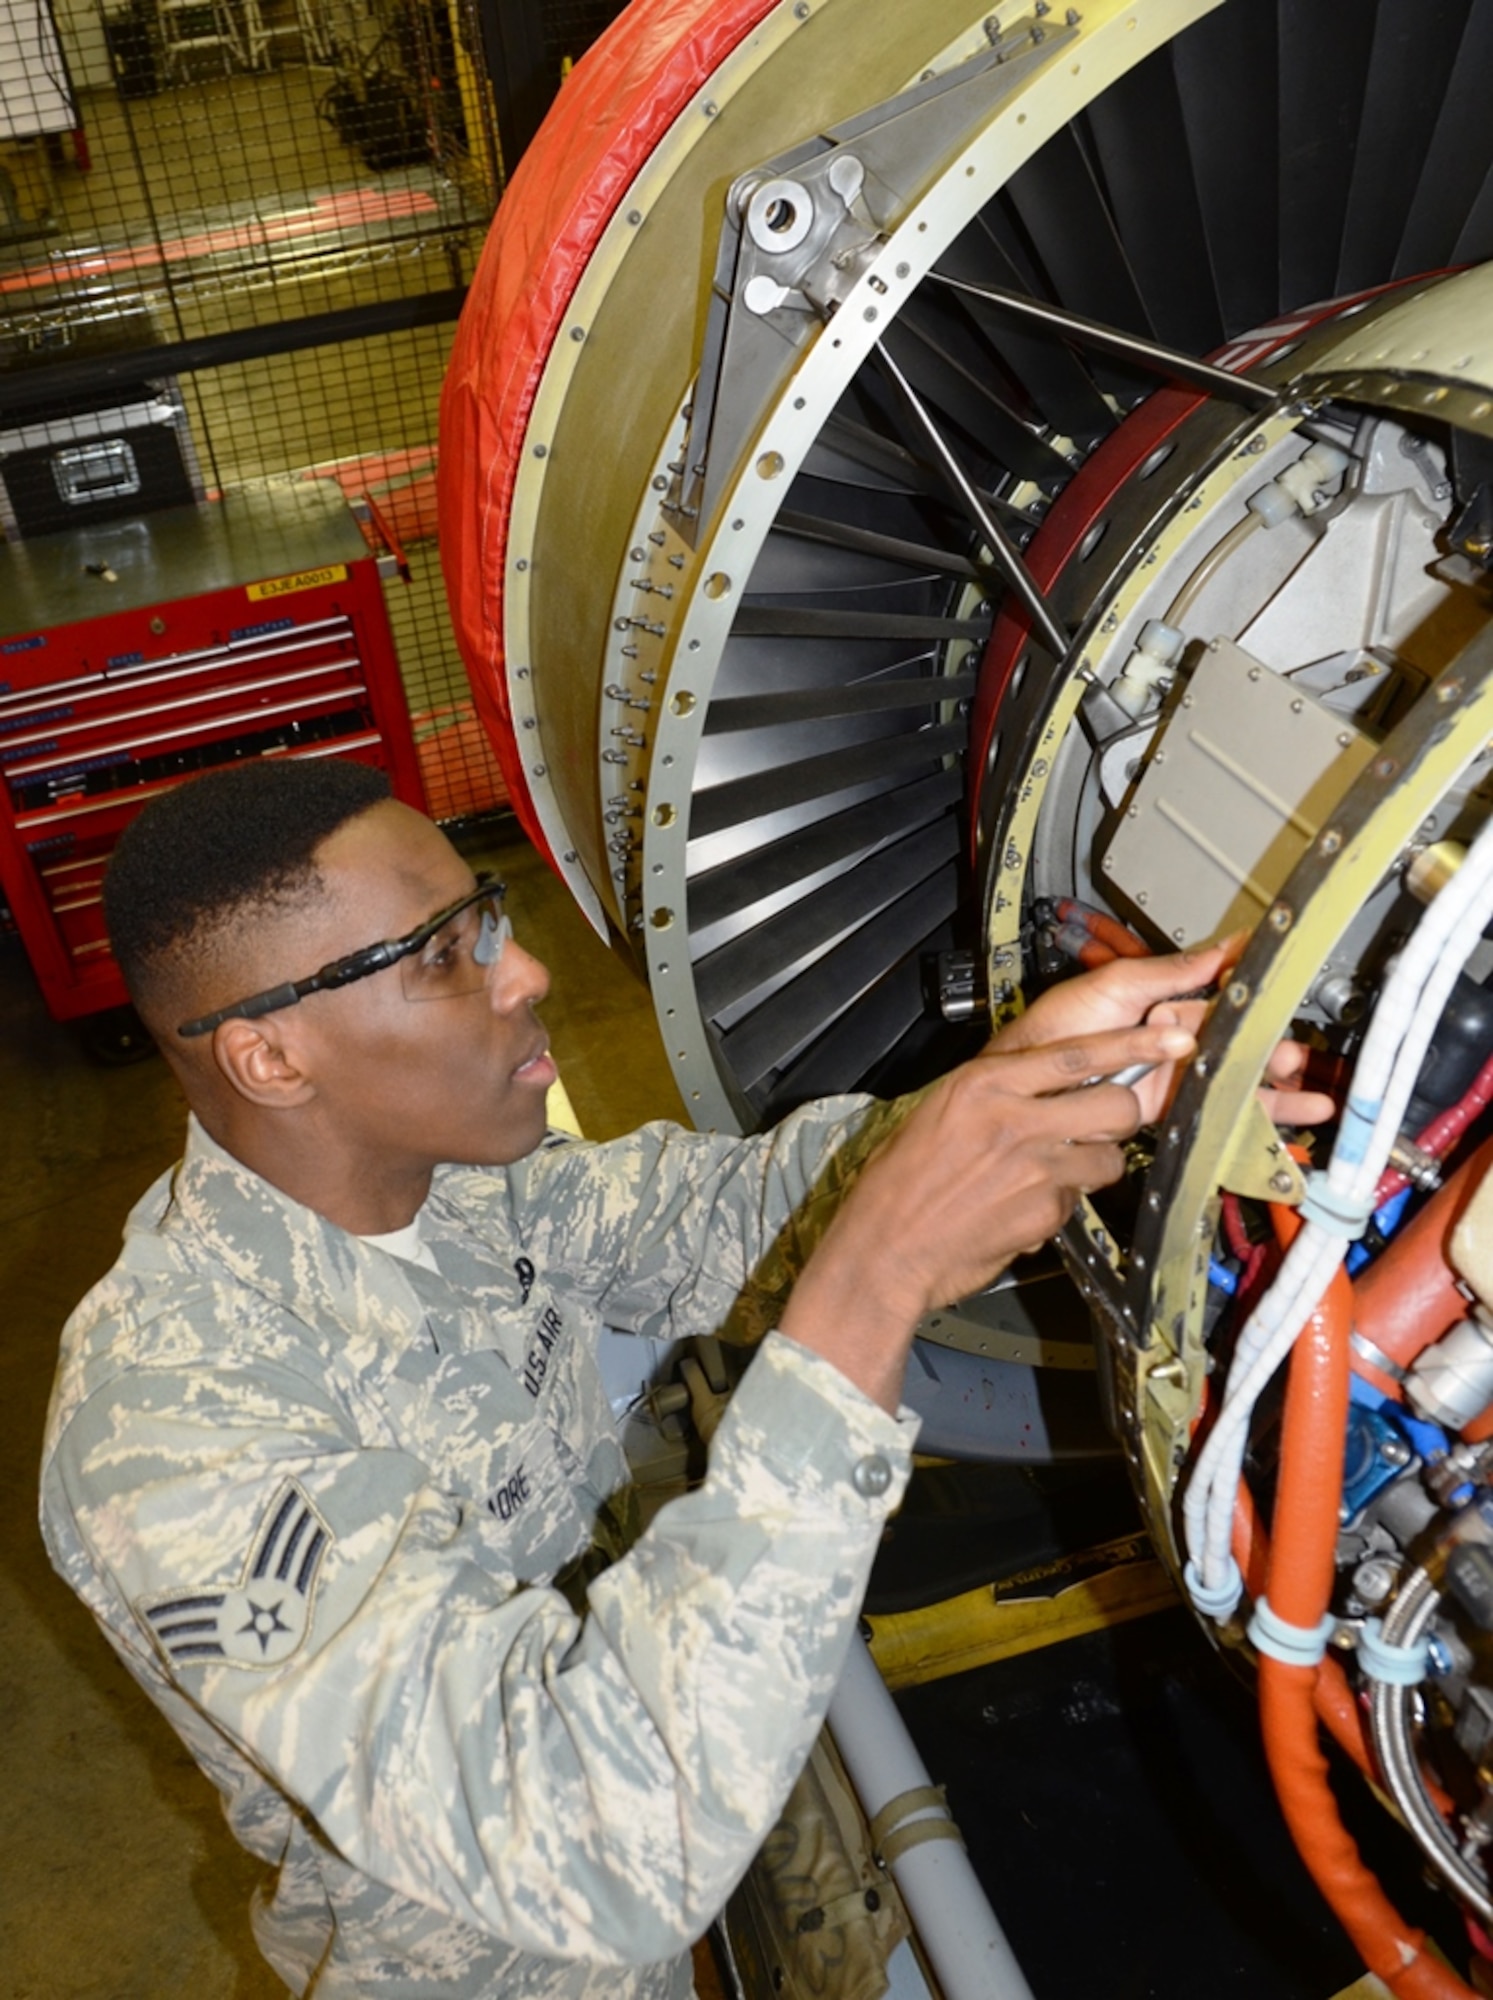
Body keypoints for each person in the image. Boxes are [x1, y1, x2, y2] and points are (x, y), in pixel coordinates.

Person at [37, 759, 1315, 2000]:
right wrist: (869, 1291)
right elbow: (586, 1834)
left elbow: (730, 1213)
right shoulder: (172, 1418)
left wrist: (1033, 1090)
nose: (524, 969)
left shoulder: (464, 1184)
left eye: (485, 918)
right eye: (443, 956)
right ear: (270, 1058)